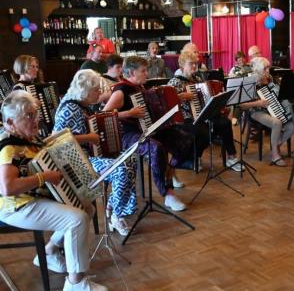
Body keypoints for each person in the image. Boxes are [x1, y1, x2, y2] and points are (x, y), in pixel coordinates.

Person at [0, 90, 108, 291]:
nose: (35, 121)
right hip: (15, 206)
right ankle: (75, 283)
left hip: (32, 199)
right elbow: (8, 188)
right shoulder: (9, 147)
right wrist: (45, 177)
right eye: (29, 116)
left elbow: (46, 145)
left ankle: (49, 252)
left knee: (87, 208)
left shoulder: (26, 137)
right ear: (11, 122)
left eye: (35, 115)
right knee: (77, 219)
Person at [53, 70, 137, 236]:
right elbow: (55, 140)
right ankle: (116, 215)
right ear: (86, 91)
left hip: (88, 156)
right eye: (96, 90)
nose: (100, 93)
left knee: (130, 160)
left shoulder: (82, 106)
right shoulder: (70, 107)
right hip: (75, 161)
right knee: (122, 169)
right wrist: (89, 138)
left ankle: (113, 205)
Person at [103, 56, 191, 211]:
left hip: (148, 130)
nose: (147, 74)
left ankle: (169, 171)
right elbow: (103, 115)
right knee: (156, 149)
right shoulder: (121, 90)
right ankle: (167, 194)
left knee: (184, 139)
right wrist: (129, 113)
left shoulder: (140, 88)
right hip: (128, 135)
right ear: (131, 72)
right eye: (143, 71)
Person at [167, 51, 244, 172]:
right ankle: (193, 157)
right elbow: (168, 102)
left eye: (195, 64)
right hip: (185, 118)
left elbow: (205, 94)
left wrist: (216, 97)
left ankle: (231, 157)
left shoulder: (198, 79)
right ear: (182, 65)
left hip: (202, 114)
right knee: (203, 132)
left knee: (225, 122)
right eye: (191, 64)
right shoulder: (174, 82)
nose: (194, 66)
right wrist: (180, 97)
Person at [240, 57, 294, 167]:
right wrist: (257, 103)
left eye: (268, 68)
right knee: (277, 123)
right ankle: (275, 155)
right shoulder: (250, 82)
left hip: (273, 109)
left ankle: (277, 144)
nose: (268, 71)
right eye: (265, 69)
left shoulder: (271, 79)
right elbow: (241, 105)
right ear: (258, 70)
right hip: (256, 111)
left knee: (292, 125)